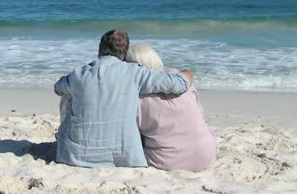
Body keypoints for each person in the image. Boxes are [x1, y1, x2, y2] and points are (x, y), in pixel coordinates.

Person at [54, 30, 194, 168]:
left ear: (100, 49)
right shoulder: (135, 72)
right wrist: (187, 73)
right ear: (124, 53)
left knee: (69, 95)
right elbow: (178, 84)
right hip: (125, 157)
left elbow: (58, 88)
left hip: (74, 156)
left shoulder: (78, 74)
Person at [125, 43, 216, 172]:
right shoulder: (178, 76)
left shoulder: (137, 99)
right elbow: (200, 112)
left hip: (168, 163)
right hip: (206, 156)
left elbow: (132, 138)